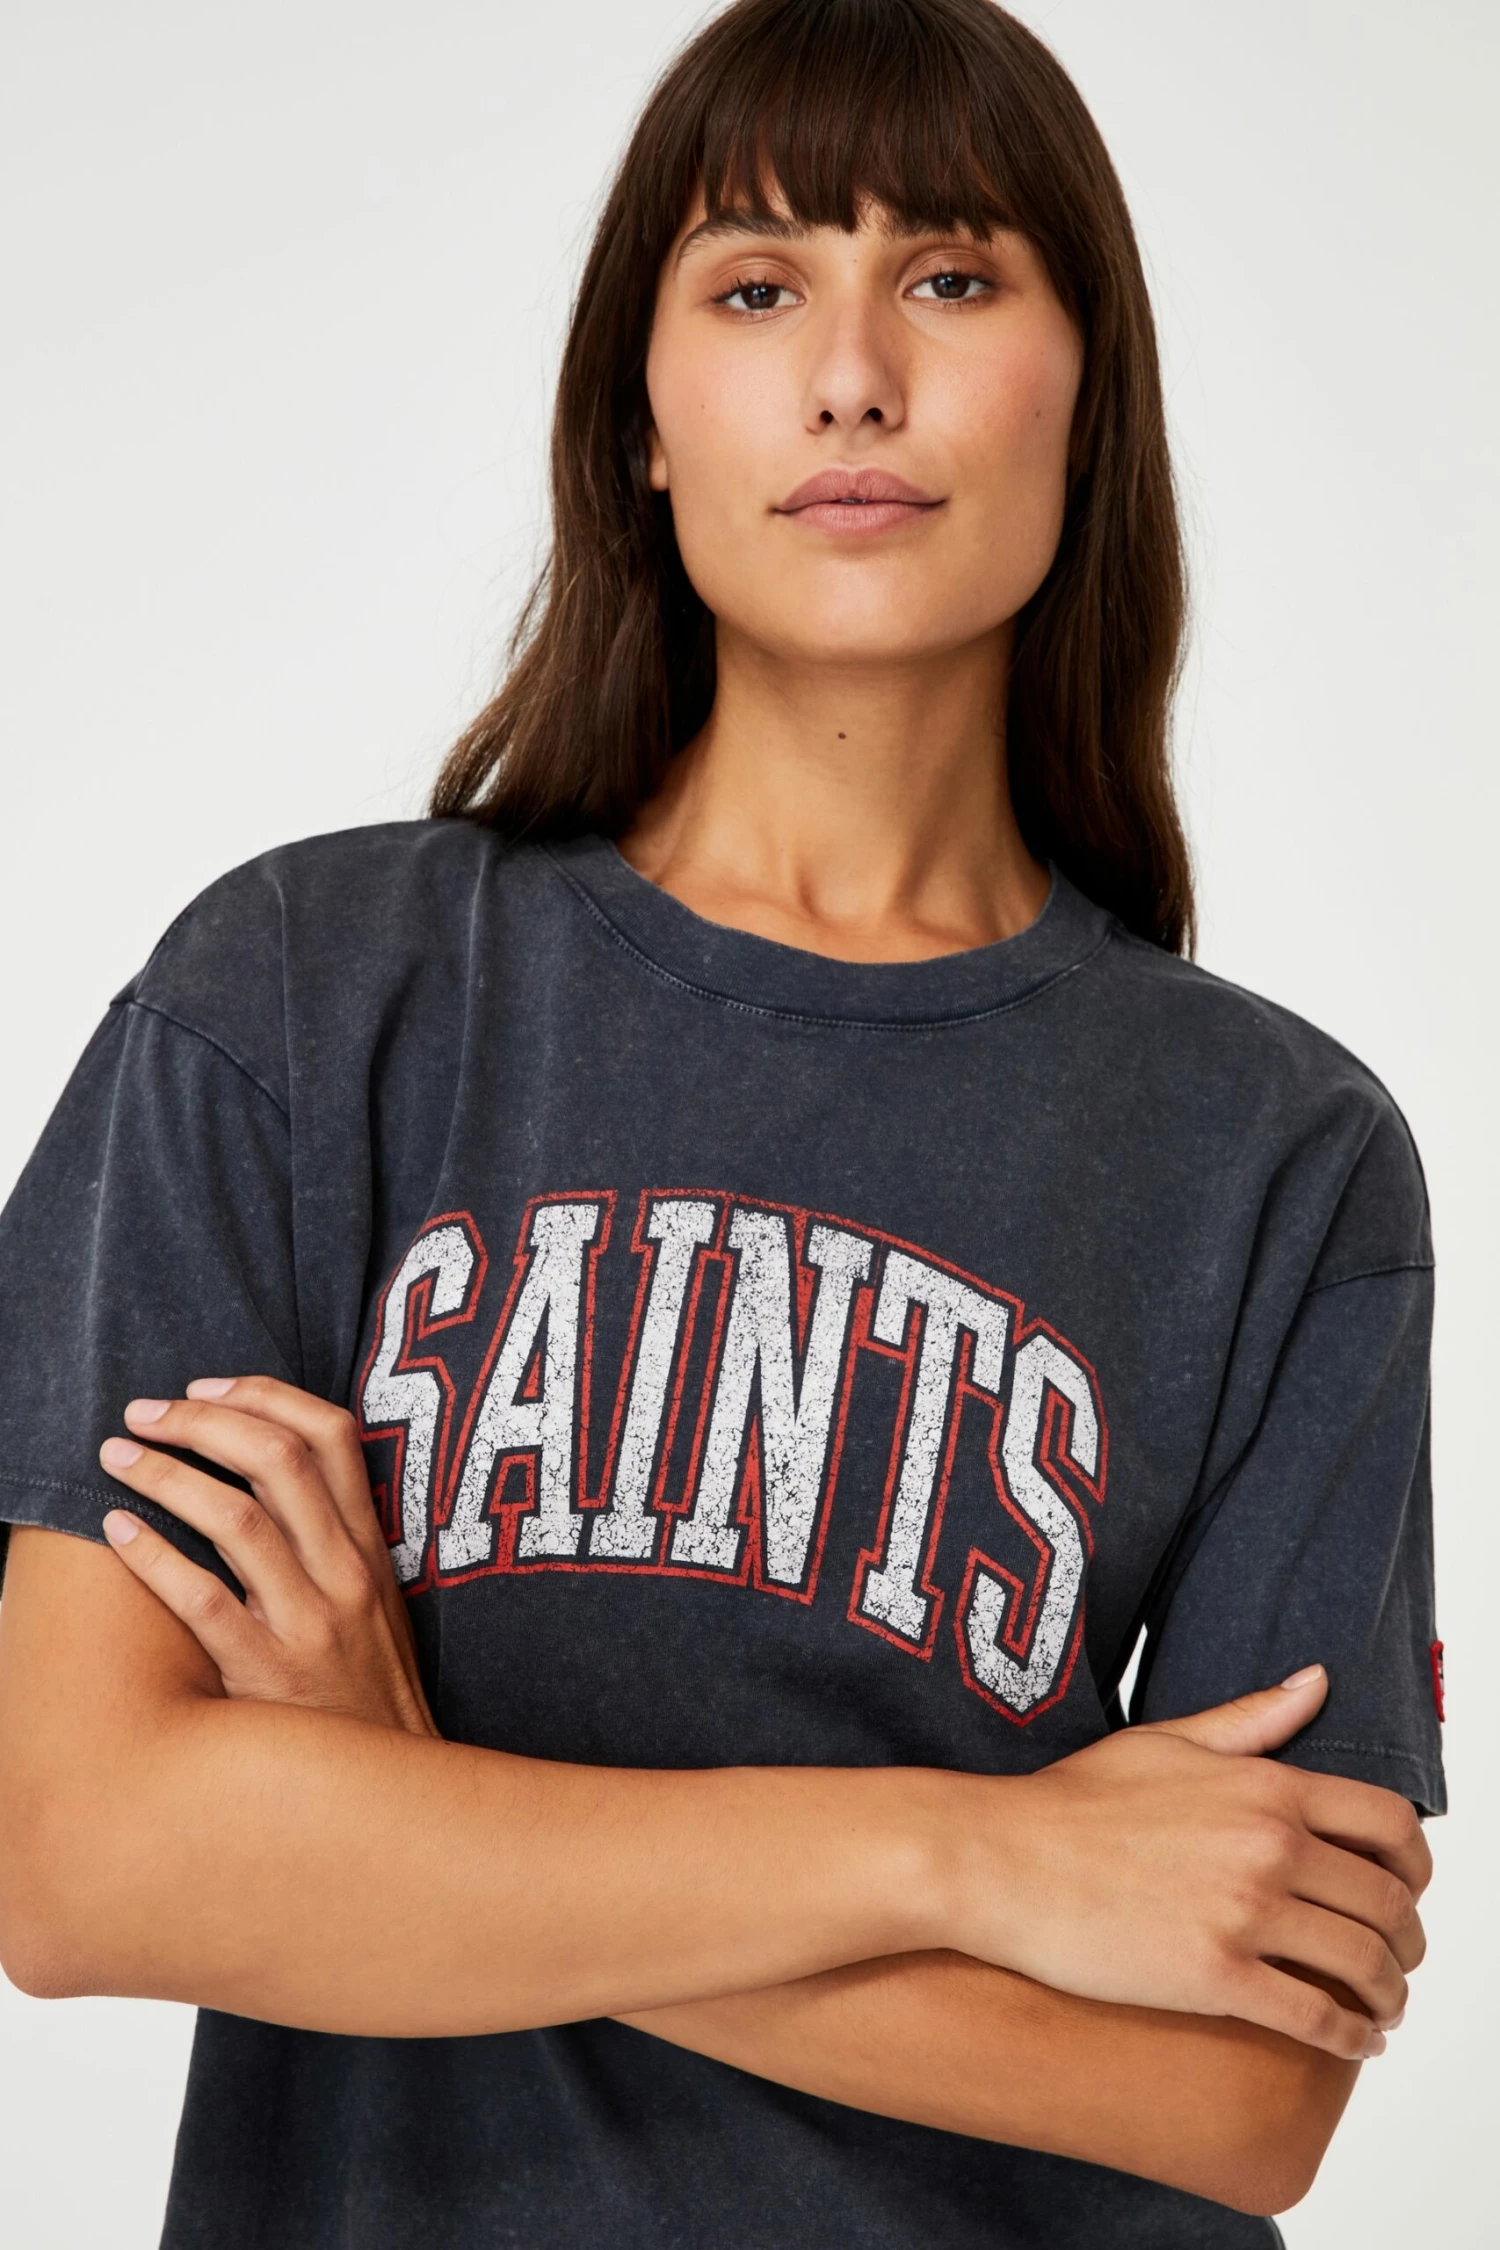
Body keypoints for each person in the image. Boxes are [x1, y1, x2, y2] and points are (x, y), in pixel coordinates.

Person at [0, 1, 1442, 2245]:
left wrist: (406, 1810)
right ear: (642, 425)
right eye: (758, 286)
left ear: (1091, 399)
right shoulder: (307, 997)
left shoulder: (1281, 1155)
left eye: (950, 276)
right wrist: (975, 1859)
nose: (853, 376)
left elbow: (1240, 2100)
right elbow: (82, 1858)